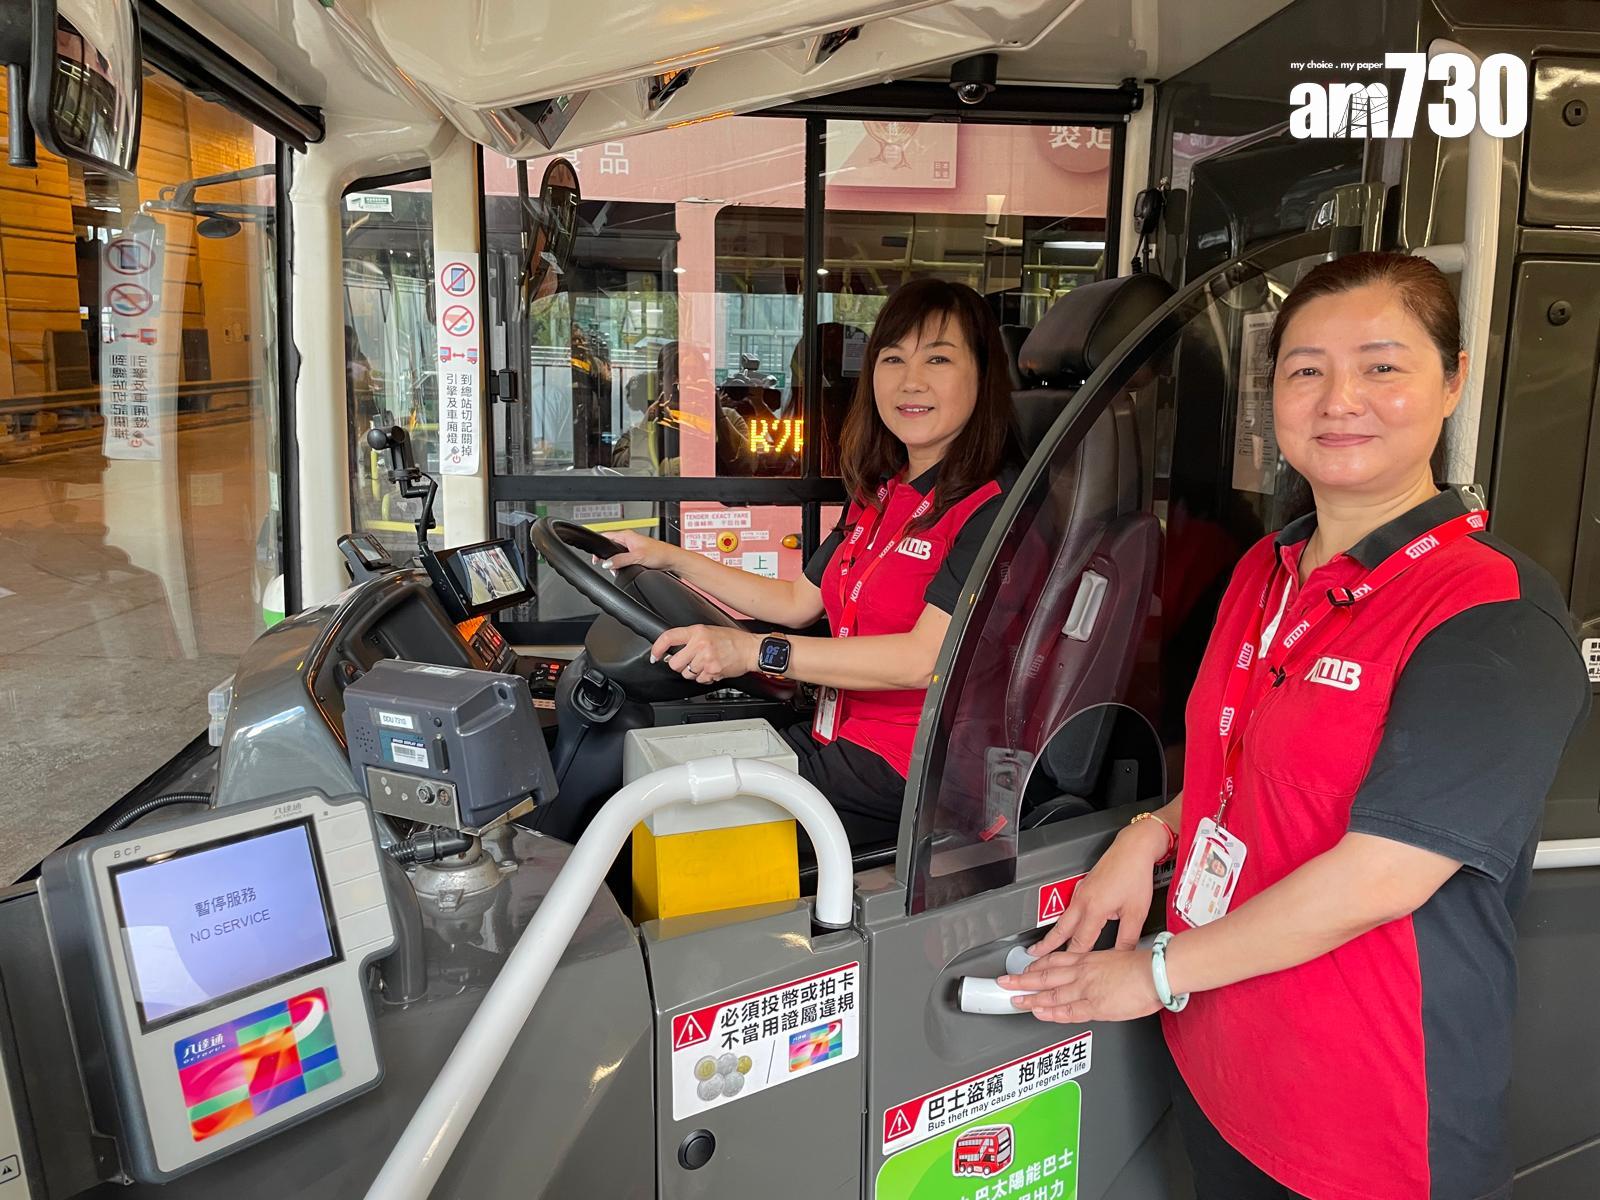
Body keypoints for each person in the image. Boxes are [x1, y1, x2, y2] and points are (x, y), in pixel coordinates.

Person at [999, 252, 1589, 1200]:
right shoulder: (1264, 573)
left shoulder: (1491, 616)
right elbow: (1247, 771)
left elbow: (1382, 874)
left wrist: (1150, 974)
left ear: (1454, 379)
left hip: (1366, 1122)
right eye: (1306, 370)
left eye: (1383, 366)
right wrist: (1149, 831)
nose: (1338, 397)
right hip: (1223, 1065)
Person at [602, 279, 1022, 845]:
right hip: (838, 738)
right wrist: (667, 558)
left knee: (678, 827)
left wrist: (752, 651)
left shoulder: (992, 510)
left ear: (982, 375)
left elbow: (924, 661)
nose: (910, 380)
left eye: (939, 358)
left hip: (917, 771)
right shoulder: (881, 494)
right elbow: (797, 602)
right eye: (892, 358)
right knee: (645, 784)